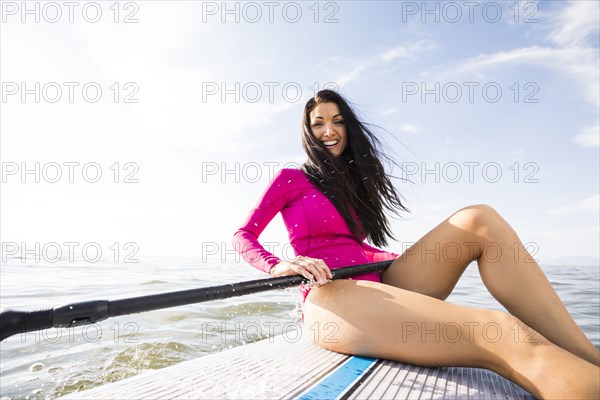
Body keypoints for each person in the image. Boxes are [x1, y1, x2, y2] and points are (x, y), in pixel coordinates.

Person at [232, 89, 599, 399]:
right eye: (319, 123)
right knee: (502, 331)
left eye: (338, 120)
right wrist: (278, 265)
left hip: (377, 283)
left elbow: (353, 247)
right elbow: (243, 235)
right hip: (332, 295)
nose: (329, 130)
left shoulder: (357, 181)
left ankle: (589, 358)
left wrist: (390, 258)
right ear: (308, 131)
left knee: (479, 218)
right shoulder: (291, 179)